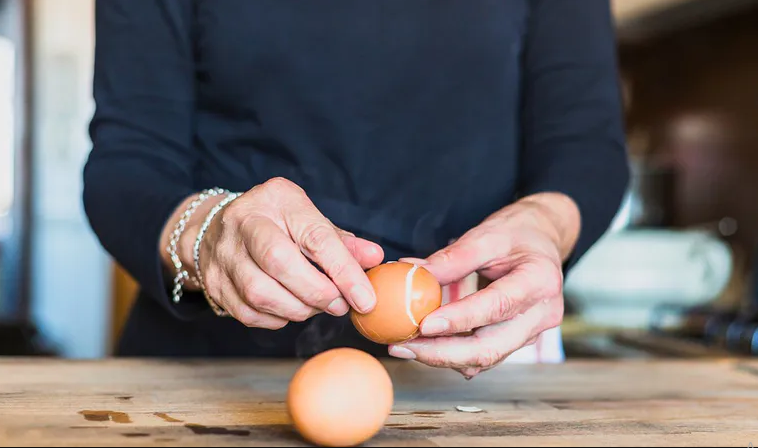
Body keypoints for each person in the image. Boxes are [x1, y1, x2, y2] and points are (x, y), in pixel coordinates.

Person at [83, 0, 629, 379]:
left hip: (475, 378)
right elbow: (128, 162)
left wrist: (545, 223)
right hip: (211, 376)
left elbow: (586, 146)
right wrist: (208, 234)